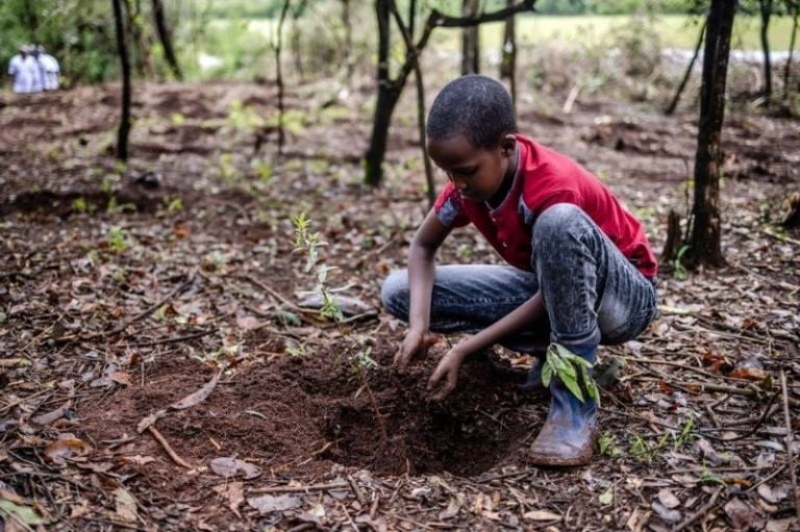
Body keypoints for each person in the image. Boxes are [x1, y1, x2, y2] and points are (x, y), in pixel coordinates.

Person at [381, 74, 658, 467]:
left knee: (559, 223)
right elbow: (423, 247)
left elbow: (557, 289)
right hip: (556, 288)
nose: (457, 183)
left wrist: (468, 345)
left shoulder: (550, 186)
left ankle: (574, 403)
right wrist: (417, 326)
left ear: (506, 147)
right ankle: (547, 353)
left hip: (625, 298)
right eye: (448, 173)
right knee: (400, 291)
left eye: (466, 170)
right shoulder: (467, 186)